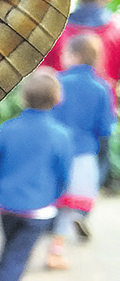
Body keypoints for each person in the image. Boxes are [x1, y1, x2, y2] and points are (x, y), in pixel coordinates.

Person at [0, 68, 72, 281]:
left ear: (24, 97)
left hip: (6, 205)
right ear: (57, 99)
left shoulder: (8, 129)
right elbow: (64, 176)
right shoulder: (61, 135)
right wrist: (55, 198)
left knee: (9, 251)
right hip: (39, 210)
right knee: (16, 258)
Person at [46, 33, 116, 268]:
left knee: (58, 198)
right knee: (74, 200)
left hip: (56, 150)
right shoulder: (102, 86)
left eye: (65, 54)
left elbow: (48, 116)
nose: (62, 58)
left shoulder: (58, 81)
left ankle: (54, 236)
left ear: (75, 56)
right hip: (84, 152)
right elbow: (105, 127)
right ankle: (61, 243)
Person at [41, 0, 120, 184]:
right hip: (102, 103)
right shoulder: (113, 32)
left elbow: (43, 68)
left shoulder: (61, 29)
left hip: (59, 101)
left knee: (55, 154)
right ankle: (85, 201)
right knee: (97, 155)